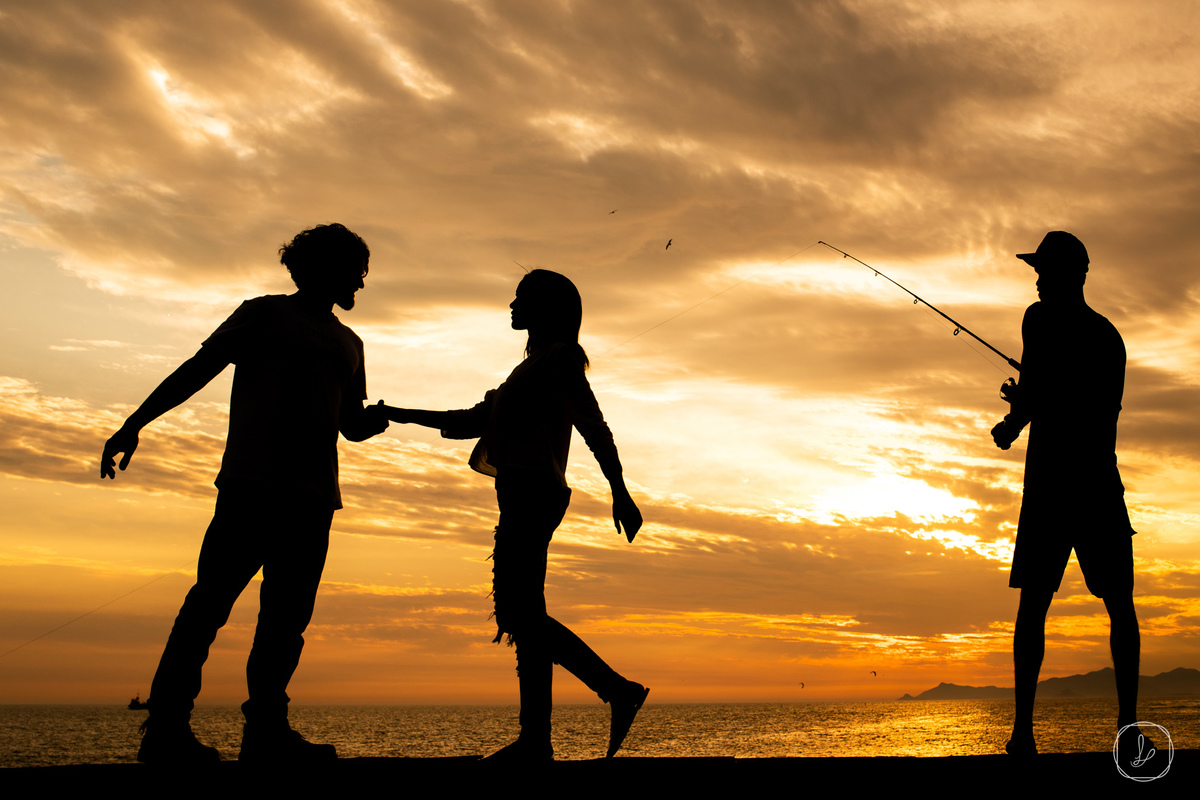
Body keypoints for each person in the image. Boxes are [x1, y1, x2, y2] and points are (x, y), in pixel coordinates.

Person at [100, 223, 389, 765]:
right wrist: (134, 423)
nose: (361, 284)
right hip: (251, 487)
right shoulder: (263, 314)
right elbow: (197, 370)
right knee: (208, 606)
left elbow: (348, 423)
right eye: (357, 272)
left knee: (286, 621)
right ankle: (165, 730)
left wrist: (372, 424)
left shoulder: (351, 344)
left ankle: (266, 733)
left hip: (314, 500)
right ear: (324, 268)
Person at [381, 269, 648, 761]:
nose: (511, 304)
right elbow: (466, 423)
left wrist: (619, 490)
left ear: (544, 309)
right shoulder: (527, 372)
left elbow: (594, 426)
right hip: (521, 495)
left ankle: (614, 691)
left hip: (533, 494)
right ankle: (537, 740)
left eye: (521, 298)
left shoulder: (558, 360)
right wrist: (395, 413)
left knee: (521, 615)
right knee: (525, 618)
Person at [990, 231, 1140, 756]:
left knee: (1036, 605)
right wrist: (1021, 413)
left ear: (1068, 276)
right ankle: (1129, 729)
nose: (1035, 279)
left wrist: (1016, 415)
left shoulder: (1038, 319)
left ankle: (1023, 734)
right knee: (1118, 604)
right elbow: (1085, 407)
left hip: (1056, 487)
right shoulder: (1109, 337)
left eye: (1043, 270)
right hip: (1099, 483)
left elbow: (1041, 393)